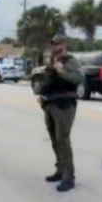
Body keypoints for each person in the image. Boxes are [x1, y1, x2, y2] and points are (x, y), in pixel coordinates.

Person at [36, 34, 82, 192]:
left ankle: (69, 177)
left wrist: (61, 71)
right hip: (50, 103)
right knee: (55, 140)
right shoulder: (52, 61)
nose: (54, 47)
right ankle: (60, 170)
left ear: (64, 45)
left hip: (64, 105)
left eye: (57, 44)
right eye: (53, 44)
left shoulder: (71, 61)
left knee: (63, 140)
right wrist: (42, 94)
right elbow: (48, 81)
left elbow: (77, 79)